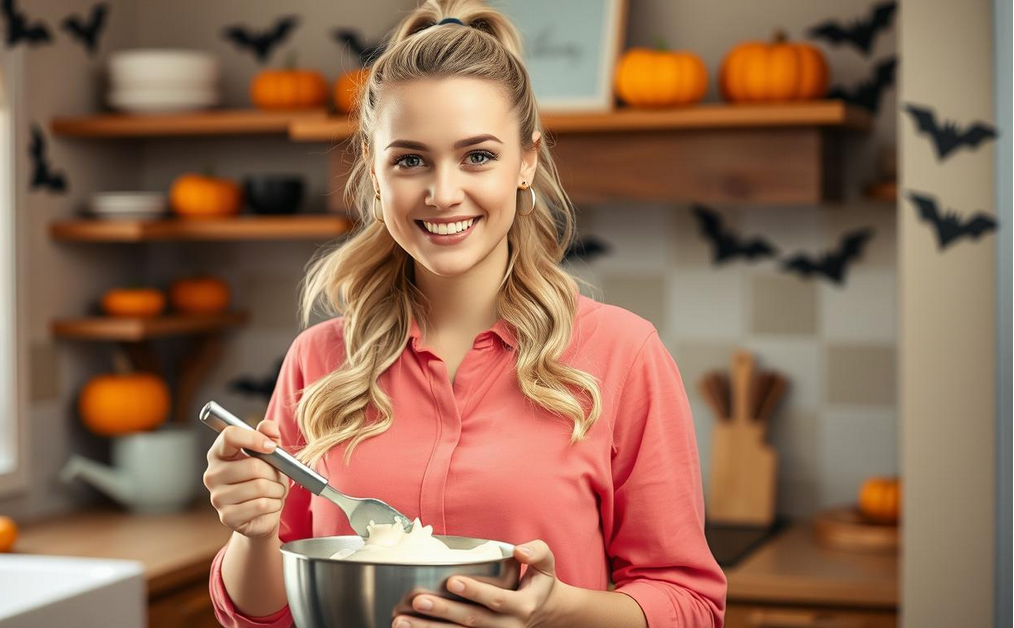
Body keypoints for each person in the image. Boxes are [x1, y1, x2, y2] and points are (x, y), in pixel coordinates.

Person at [204, 1, 727, 626]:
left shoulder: (622, 354)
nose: (443, 192)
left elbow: (690, 604)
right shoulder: (319, 360)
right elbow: (267, 614)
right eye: (410, 160)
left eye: (477, 156)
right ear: (374, 172)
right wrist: (253, 529)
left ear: (526, 161)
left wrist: (555, 612)